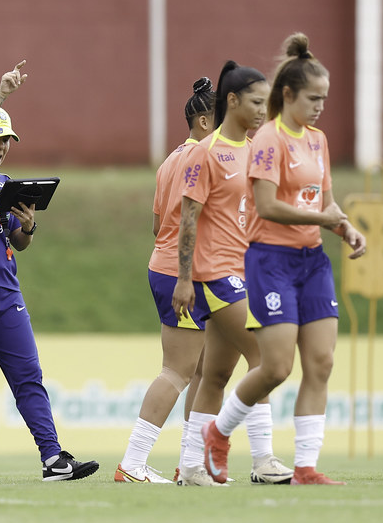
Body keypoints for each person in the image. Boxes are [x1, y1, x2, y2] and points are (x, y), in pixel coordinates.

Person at [203, 34, 365, 486]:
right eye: (313, 98)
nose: (320, 107)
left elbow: (325, 204)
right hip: (270, 260)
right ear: (288, 94)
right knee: (275, 367)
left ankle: (306, 467)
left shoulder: (318, 141)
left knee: (321, 364)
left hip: (312, 260)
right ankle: (217, 432)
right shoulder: (270, 139)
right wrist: (321, 215)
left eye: (325, 100)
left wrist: (345, 227)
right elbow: (268, 205)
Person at [0, 61, 98, 483]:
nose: (3, 145)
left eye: (7, 139)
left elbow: (18, 242)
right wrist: (2, 93)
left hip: (6, 292)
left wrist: (27, 226)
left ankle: (53, 459)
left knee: (29, 376)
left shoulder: (3, 183)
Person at [172, 61, 295, 487]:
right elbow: (189, 218)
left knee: (217, 375)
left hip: (248, 272)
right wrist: (184, 278)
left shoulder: (258, 149)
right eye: (257, 101)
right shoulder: (204, 153)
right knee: (265, 357)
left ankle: (190, 466)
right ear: (233, 101)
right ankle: (262, 460)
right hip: (215, 275)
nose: (265, 109)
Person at [114, 77, 214, 484]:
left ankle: (191, 463)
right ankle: (133, 463)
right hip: (182, 272)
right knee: (177, 370)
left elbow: (158, 225)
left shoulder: (172, 158)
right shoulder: (207, 157)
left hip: (169, 265)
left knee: (207, 370)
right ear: (206, 121)